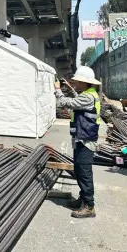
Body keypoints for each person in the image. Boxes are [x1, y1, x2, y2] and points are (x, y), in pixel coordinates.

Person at [53, 65, 101, 219]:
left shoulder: (88, 96)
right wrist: (69, 87)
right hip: (82, 137)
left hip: (85, 139)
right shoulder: (89, 94)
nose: (75, 83)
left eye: (77, 81)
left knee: (84, 172)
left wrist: (58, 90)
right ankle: (83, 199)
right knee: (80, 170)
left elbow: (67, 103)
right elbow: (77, 100)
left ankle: (89, 206)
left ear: (84, 83)